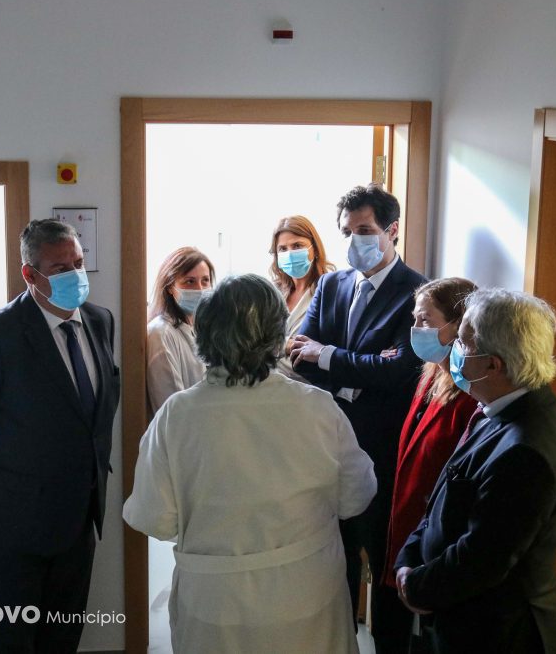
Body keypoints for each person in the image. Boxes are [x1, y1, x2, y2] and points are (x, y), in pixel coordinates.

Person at [123, 274, 377, 654]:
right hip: (307, 593)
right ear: (278, 336)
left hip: (214, 601)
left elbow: (153, 518)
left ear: (205, 335)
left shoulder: (177, 416)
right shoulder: (317, 407)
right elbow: (356, 496)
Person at [0, 219, 121, 653]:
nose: (75, 275)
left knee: (63, 636)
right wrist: (3, 470)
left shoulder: (99, 321)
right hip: (10, 522)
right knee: (12, 641)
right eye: (60, 269)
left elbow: (93, 413)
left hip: (79, 514)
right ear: (30, 274)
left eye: (79, 263)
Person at [394, 288, 556, 654]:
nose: (454, 350)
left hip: (493, 634)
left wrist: (416, 587)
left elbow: (481, 558)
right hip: (454, 613)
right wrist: (408, 559)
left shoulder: (527, 450)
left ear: (493, 365)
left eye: (462, 343)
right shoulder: (496, 405)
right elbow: (444, 494)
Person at [290, 183, 427, 652]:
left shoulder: (416, 293)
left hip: (385, 452)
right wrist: (359, 367)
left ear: (392, 230)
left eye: (365, 230)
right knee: (335, 561)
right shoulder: (332, 284)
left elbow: (399, 370)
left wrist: (329, 354)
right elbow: (298, 357)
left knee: (385, 563)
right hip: (327, 447)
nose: (355, 240)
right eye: (347, 231)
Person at [378, 277, 479, 652]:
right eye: (414, 320)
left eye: (425, 320)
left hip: (435, 539)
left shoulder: (470, 392)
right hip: (405, 528)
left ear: (457, 325)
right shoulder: (430, 374)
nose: (416, 329)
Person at [146, 247, 215, 412]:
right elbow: (172, 407)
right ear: (170, 287)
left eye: (205, 281)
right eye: (190, 281)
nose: (200, 289)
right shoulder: (161, 333)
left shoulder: (203, 328)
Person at [268, 215, 335, 381]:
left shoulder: (332, 290)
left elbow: (325, 351)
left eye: (297, 246)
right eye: (283, 249)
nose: (290, 253)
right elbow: (251, 342)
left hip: (310, 387)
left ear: (315, 249)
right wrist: (287, 344)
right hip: (267, 385)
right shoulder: (272, 292)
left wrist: (272, 348)